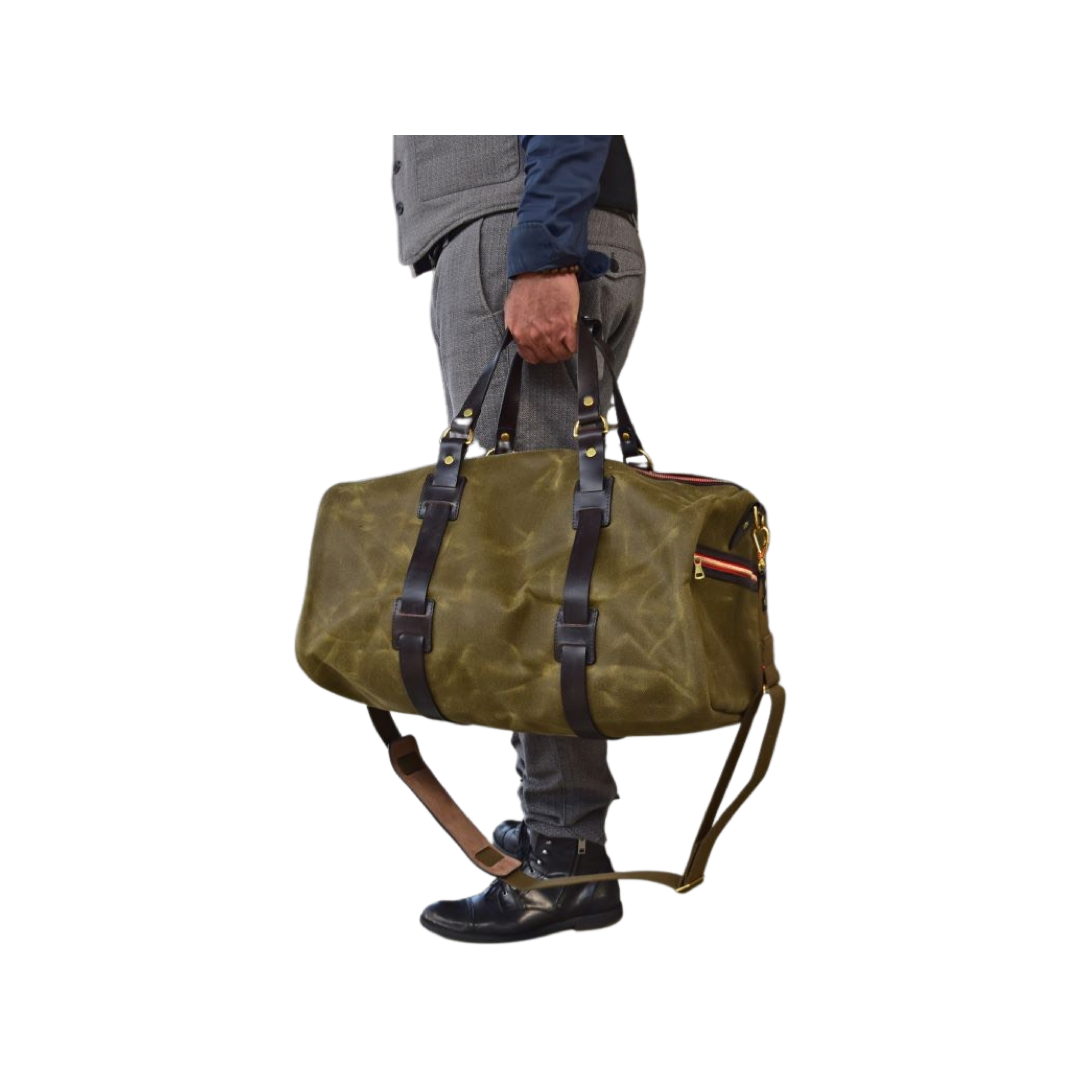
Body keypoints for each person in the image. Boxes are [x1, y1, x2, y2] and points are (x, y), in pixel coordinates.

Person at [392, 136, 646, 942]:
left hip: (524, 231)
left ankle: (566, 852)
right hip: (534, 225)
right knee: (546, 548)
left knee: (532, 556)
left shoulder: (534, 242)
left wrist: (543, 252)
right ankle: (558, 823)